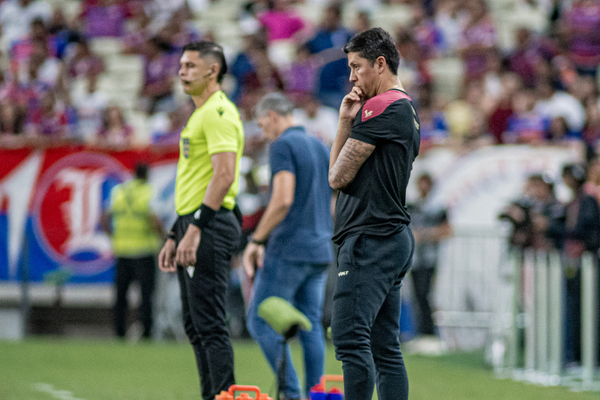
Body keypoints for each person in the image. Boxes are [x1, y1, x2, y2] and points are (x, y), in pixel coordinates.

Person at [328, 28, 420, 400]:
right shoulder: (406, 109)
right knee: (385, 348)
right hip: (389, 236)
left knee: (351, 339)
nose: (351, 77)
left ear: (380, 64)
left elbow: (336, 176)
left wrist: (348, 122)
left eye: (356, 67)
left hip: (371, 237)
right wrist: (345, 121)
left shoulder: (381, 106)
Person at [157, 41, 244, 400]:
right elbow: (194, 180)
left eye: (191, 65)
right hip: (191, 223)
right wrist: (174, 233)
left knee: (209, 323)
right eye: (181, 65)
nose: (182, 71)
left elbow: (223, 176)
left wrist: (194, 228)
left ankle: (223, 396)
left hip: (208, 224)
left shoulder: (219, 113)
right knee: (195, 324)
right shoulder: (199, 113)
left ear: (213, 70)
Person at [242, 92, 333, 400]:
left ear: (272, 116)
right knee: (310, 325)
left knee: (259, 319)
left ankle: (291, 393)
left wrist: (256, 239)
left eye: (261, 123)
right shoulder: (321, 146)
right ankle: (315, 394)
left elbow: (282, 198)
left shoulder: (282, 145)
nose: (261, 130)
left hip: (291, 246)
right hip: (320, 246)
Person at [101, 162, 163, 339]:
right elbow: (154, 220)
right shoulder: (149, 191)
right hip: (143, 250)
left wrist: (113, 236)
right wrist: (164, 237)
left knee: (121, 295)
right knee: (146, 295)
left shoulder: (119, 191)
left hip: (122, 250)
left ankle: (119, 331)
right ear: (147, 175)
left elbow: (105, 217)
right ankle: (146, 332)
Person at [406, 173, 450, 342]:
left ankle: (429, 332)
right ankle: (420, 331)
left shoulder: (438, 207)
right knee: (417, 295)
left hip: (430, 258)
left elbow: (447, 230)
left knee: (426, 294)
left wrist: (425, 234)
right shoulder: (412, 205)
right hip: (415, 258)